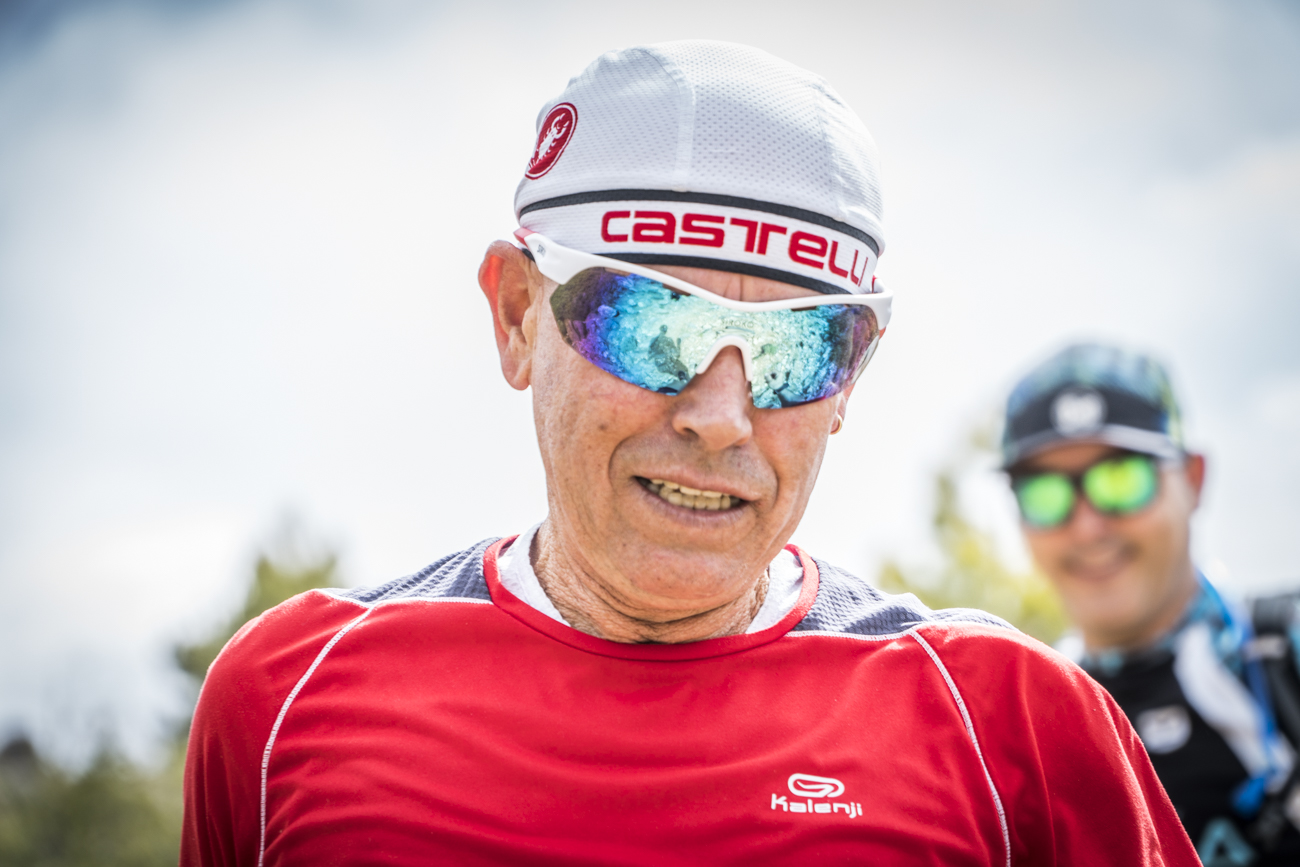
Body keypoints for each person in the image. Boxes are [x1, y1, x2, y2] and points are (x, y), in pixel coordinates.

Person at [182, 41, 1198, 865]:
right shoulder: (285, 698)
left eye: (797, 348)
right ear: (517, 316)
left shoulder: (1013, 725)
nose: (721, 417)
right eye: (653, 324)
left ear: (850, 378)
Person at [1001, 343, 1300, 865]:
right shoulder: (1016, 725)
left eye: (1121, 479)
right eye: (1045, 494)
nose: (1088, 527)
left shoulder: (1283, 653)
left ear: (1193, 479)